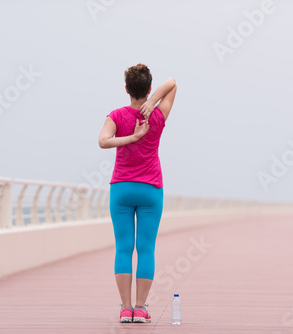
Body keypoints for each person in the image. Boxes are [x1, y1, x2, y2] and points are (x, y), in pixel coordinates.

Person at [98, 63, 177, 323]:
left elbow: (103, 141)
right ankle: (141, 309)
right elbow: (173, 83)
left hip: (121, 188)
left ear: (126, 89)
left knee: (123, 249)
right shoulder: (157, 115)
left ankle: (125, 308)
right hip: (151, 189)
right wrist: (152, 102)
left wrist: (130, 138)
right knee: (145, 249)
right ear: (150, 88)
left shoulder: (117, 116)